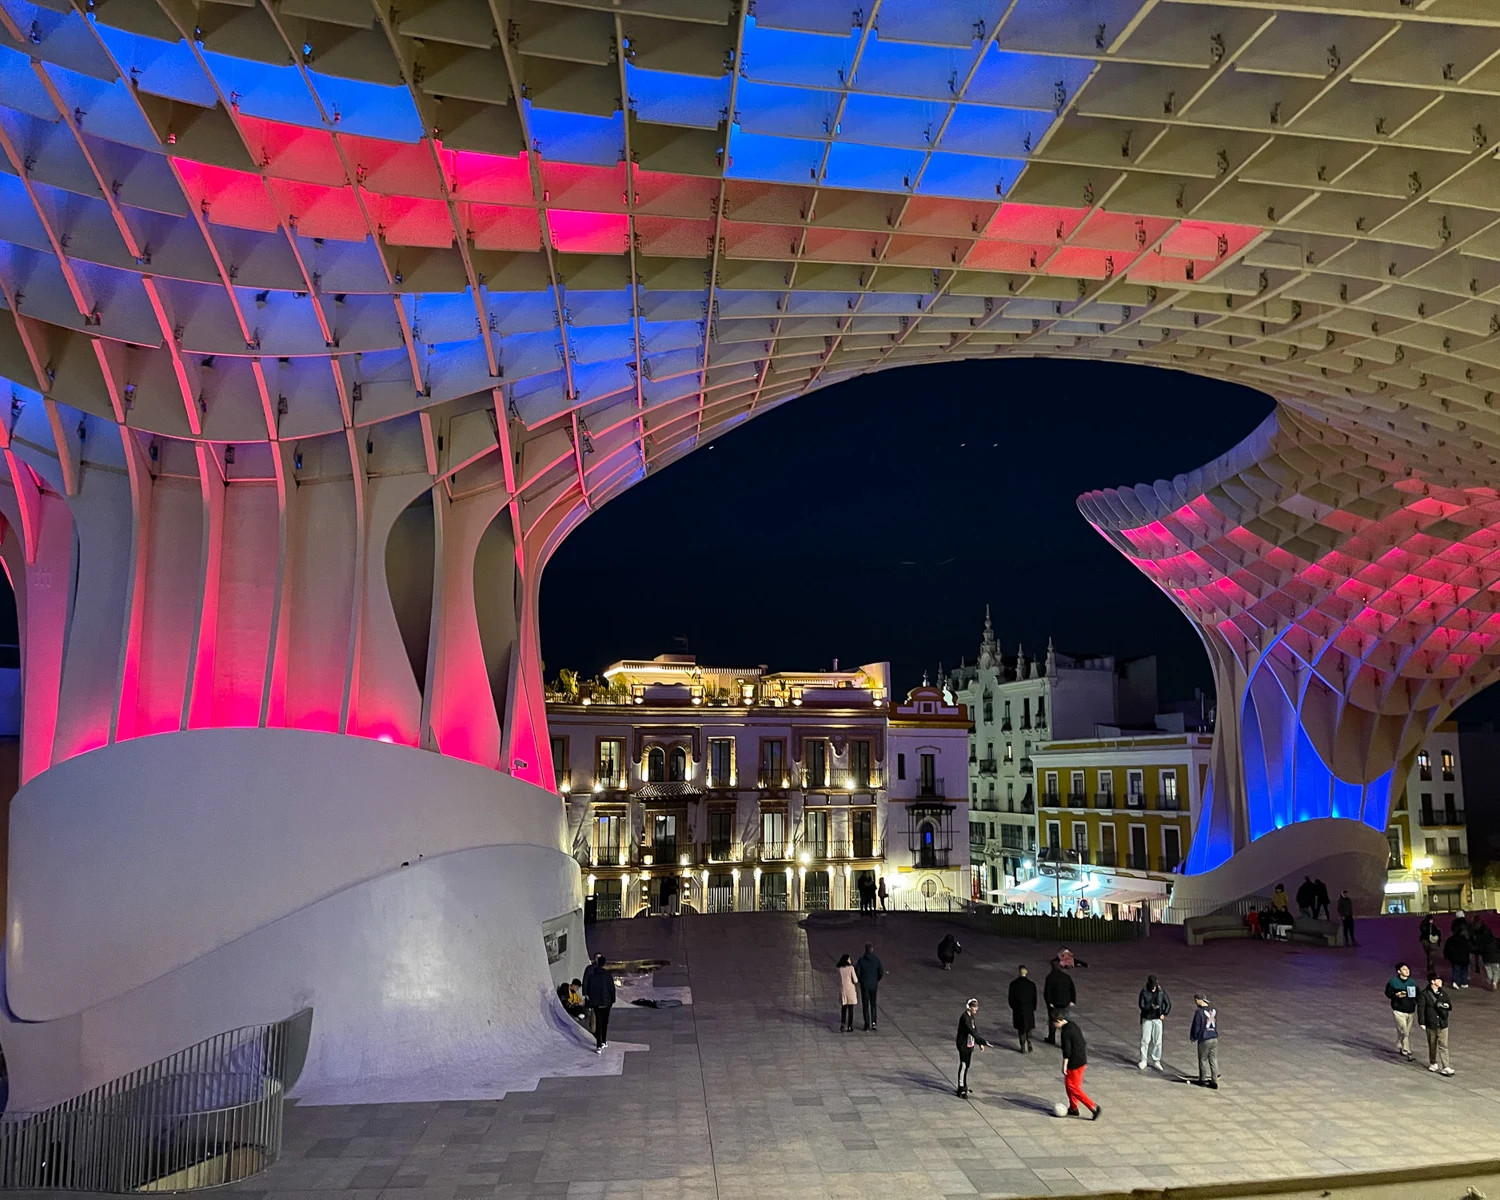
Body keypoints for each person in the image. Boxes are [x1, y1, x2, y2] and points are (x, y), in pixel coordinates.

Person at [1053, 1010, 1100, 1119]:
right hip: (1081, 1060)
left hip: (1074, 1063)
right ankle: (1073, 1108)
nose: (1054, 1026)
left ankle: (1093, 1107)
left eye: (1054, 1024)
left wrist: (1064, 1065)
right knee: (1071, 1086)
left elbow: (1067, 1051)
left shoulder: (1065, 1032)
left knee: (1073, 1087)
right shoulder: (1072, 1025)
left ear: (1058, 1021)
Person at [1416, 974, 1454, 1075]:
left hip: (1442, 1023)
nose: (1441, 981)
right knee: (1432, 1044)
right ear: (1433, 982)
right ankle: (1433, 1062)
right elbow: (1421, 1009)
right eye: (1438, 980)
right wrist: (1422, 1022)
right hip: (1431, 1023)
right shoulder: (1424, 994)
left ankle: (1446, 1066)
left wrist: (1443, 1005)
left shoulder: (1443, 993)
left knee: (1443, 1045)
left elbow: (1449, 1006)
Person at [581, 952, 616, 1052]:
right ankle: (604, 1041)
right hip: (606, 1002)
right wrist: (612, 999)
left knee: (599, 1022)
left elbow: (589, 987)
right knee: (605, 1022)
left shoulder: (592, 976)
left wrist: (589, 998)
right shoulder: (607, 975)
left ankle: (599, 1044)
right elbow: (611, 989)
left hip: (596, 1003)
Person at [1385, 963, 1419, 1060]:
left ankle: (1400, 1042)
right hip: (1399, 1010)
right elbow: (1388, 993)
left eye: (1407, 969)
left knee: (1406, 1030)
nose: (1407, 971)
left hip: (1410, 1010)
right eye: (1404, 969)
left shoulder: (1412, 982)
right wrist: (1396, 995)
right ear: (1399, 971)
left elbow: (1417, 994)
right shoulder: (1393, 982)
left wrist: (1415, 1002)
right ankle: (1407, 1050)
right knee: (1404, 1030)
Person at [955, 998, 988, 1097]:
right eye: (974, 1007)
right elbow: (971, 1031)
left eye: (976, 1007)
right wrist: (982, 1041)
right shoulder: (964, 1018)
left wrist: (979, 1044)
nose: (976, 1009)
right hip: (963, 1044)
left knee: (967, 1065)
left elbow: (975, 1030)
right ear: (969, 1007)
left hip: (969, 1044)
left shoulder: (972, 1017)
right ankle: (961, 1088)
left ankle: (964, 1085)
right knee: (964, 1065)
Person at [1137, 974, 1171, 1071]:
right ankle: (1144, 1060)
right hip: (1147, 1018)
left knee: (1158, 1040)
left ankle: (1157, 1060)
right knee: (1145, 1040)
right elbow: (1141, 1005)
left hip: (1157, 1019)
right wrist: (1149, 1008)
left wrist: (1164, 1013)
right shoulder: (1144, 992)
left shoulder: (1161, 992)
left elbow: (1167, 1003)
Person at [1042, 957, 1076, 1045]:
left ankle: (1051, 1038)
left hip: (1055, 1004)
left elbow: (1047, 991)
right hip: (1066, 1003)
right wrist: (1072, 1000)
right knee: (1065, 1022)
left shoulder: (1050, 977)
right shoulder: (1066, 977)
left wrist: (1049, 1002)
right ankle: (1066, 1042)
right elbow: (1072, 989)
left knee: (1053, 1021)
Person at [1188, 993, 1219, 1088]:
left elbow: (1196, 1026)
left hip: (1204, 1039)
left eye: (1196, 1000)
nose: (1196, 1002)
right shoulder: (1213, 1010)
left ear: (1199, 1000)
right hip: (1214, 1037)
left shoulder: (1199, 1013)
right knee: (1213, 1060)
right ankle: (1214, 1081)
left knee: (1203, 1060)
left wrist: (1193, 1037)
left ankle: (1202, 1079)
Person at [1008, 965, 1037, 1052]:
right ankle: (1029, 1041)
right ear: (1026, 972)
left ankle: (1022, 1046)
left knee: (1021, 1028)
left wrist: (1014, 1007)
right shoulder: (1031, 985)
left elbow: (1011, 999)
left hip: (1018, 1009)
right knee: (1029, 1027)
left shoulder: (1013, 984)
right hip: (1029, 1009)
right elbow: (1034, 998)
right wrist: (1033, 1007)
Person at [855, 942, 884, 1031]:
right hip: (873, 985)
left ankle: (867, 1024)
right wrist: (876, 980)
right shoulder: (876, 960)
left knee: (865, 1004)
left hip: (865, 985)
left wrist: (861, 981)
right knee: (873, 1004)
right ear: (872, 950)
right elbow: (881, 972)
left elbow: (857, 972)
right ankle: (874, 1023)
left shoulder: (861, 960)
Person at [837, 953, 858, 1032]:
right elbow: (855, 980)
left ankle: (842, 1024)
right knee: (851, 1009)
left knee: (844, 1008)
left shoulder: (840, 969)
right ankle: (850, 1026)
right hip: (850, 990)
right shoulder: (851, 968)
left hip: (843, 989)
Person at [1420, 913, 1443, 977]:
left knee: (1429, 955)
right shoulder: (1431, 926)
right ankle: (1431, 970)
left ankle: (1429, 968)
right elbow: (1434, 932)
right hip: (1430, 942)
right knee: (1431, 955)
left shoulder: (1422, 925)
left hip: (1424, 941)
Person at [1481, 923, 1500, 991]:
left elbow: (1481, 950)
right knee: (1496, 971)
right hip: (1496, 959)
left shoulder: (1483, 942)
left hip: (1486, 959)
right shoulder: (1496, 941)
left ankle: (1490, 979)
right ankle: (1494, 982)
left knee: (1488, 970)